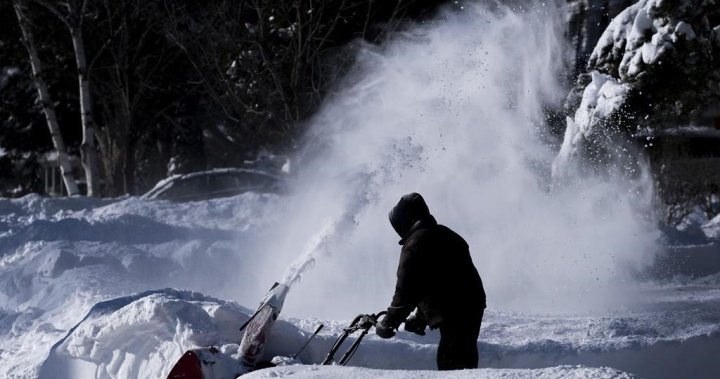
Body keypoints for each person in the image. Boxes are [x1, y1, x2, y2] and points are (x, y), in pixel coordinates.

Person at [375, 192, 486, 370]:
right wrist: (421, 318)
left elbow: (407, 290)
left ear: (405, 220)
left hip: (454, 309)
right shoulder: (448, 234)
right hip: (473, 304)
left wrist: (389, 321)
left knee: (451, 363)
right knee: (465, 357)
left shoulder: (414, 244)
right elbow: (438, 283)